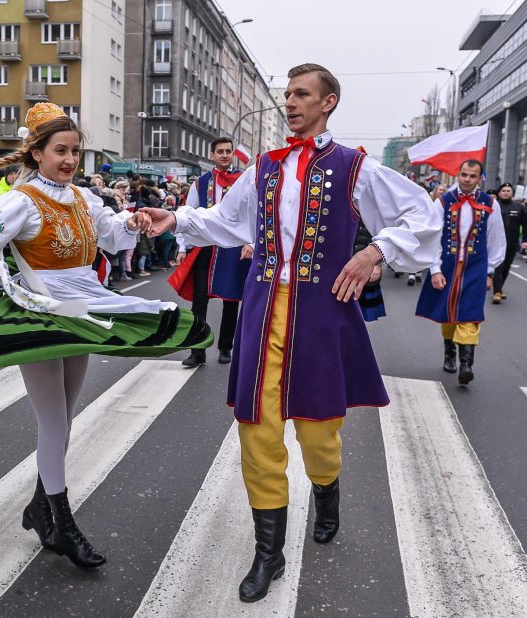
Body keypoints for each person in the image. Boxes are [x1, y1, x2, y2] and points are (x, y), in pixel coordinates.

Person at [0, 103, 212, 571]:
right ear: (37, 152)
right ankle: (63, 523)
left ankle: (38, 507)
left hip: (82, 306)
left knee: (66, 417)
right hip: (42, 312)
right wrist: (8, 285)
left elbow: (108, 235)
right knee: (53, 423)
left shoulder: (83, 198)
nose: (70, 160)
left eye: (75, 151)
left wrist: (130, 223)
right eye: (61, 151)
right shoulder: (21, 201)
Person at [143, 64, 441, 603]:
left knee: (318, 432)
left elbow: (422, 214)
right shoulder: (264, 167)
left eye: (301, 94)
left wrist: (374, 251)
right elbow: (225, 222)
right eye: (287, 95)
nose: (290, 103)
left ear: (328, 102)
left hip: (322, 311)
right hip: (262, 308)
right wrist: (177, 220)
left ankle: (326, 491)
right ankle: (269, 552)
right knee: (256, 426)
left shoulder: (356, 168)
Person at [416, 161, 506, 384]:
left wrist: (490, 270)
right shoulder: (443, 201)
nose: (467, 179)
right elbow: (432, 236)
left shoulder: (490, 204)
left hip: (475, 267)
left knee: (470, 313)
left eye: (472, 176)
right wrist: (435, 269)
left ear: (479, 178)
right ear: (458, 175)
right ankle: (450, 353)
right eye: (464, 174)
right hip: (447, 264)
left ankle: (466, 364)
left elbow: (496, 240)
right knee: (447, 313)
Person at [175, 137, 251, 367]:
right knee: (199, 300)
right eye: (220, 151)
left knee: (231, 299)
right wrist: (182, 246)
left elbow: (250, 213)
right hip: (205, 247)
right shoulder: (201, 182)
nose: (225, 155)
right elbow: (187, 214)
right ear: (212, 155)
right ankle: (197, 350)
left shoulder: (243, 180)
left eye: (228, 151)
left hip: (233, 247)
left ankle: (225, 347)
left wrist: (251, 242)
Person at [490, 182, 527, 304]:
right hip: (496, 243)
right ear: (499, 193)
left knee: (506, 268)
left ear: (512, 193)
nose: (506, 193)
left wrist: (526, 240)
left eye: (508, 191)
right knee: (498, 267)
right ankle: (496, 292)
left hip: (511, 242)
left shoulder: (519, 207)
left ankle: (499, 287)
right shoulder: (494, 206)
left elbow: (526, 225)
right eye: (503, 191)